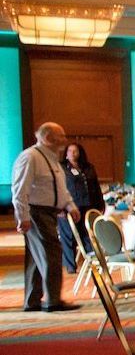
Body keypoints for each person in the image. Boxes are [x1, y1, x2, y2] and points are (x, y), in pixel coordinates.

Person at [12, 122, 81, 312]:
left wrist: (70, 205)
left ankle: (32, 301)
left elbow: (59, 189)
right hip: (36, 213)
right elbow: (19, 190)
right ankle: (53, 300)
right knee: (51, 254)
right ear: (48, 138)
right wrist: (23, 217)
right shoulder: (30, 157)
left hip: (48, 213)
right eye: (61, 136)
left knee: (36, 258)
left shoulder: (51, 158)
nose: (65, 140)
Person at [59, 142, 104, 274]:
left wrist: (100, 204)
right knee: (69, 236)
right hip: (69, 207)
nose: (72, 153)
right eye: (70, 151)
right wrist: (59, 207)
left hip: (88, 205)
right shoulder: (62, 168)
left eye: (75, 151)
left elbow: (96, 186)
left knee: (88, 234)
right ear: (66, 154)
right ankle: (71, 267)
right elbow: (58, 188)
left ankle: (92, 262)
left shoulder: (88, 167)